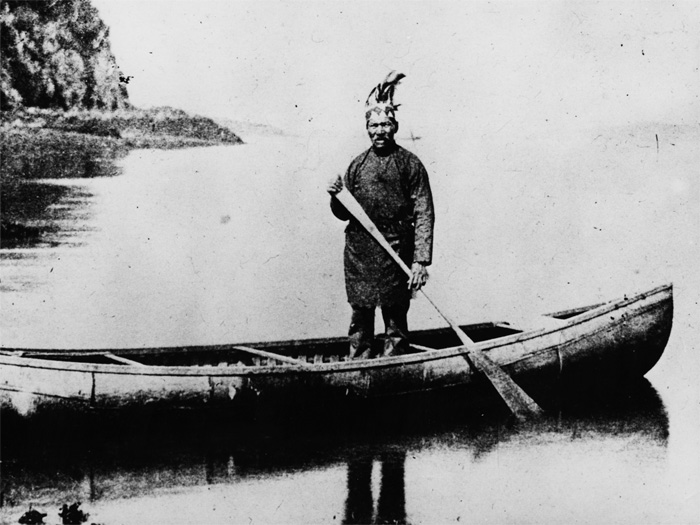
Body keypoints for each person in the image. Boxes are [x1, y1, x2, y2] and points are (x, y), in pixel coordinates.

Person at [327, 72, 435, 359]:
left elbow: (424, 212)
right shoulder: (357, 165)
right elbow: (343, 213)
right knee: (361, 312)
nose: (380, 131)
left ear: (395, 126)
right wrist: (335, 194)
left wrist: (420, 261)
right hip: (360, 252)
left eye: (385, 124)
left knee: (395, 313)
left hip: (397, 249)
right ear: (367, 128)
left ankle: (394, 364)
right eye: (374, 125)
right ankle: (358, 361)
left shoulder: (410, 165)